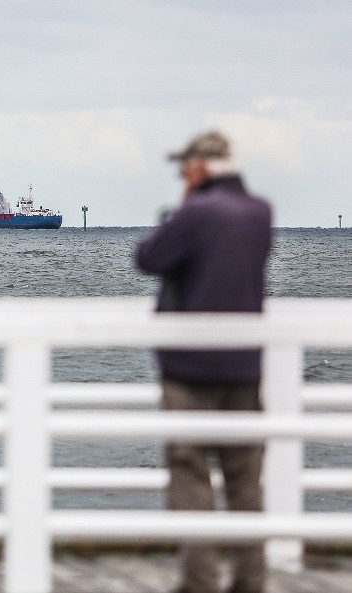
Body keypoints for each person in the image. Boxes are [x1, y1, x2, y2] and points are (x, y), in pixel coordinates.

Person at [135, 131, 273, 593]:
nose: (181, 176)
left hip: (189, 367)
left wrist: (186, 202)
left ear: (198, 167)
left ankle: (200, 582)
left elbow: (149, 258)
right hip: (245, 367)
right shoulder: (261, 212)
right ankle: (251, 581)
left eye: (184, 169)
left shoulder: (196, 212)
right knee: (245, 478)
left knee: (191, 474)